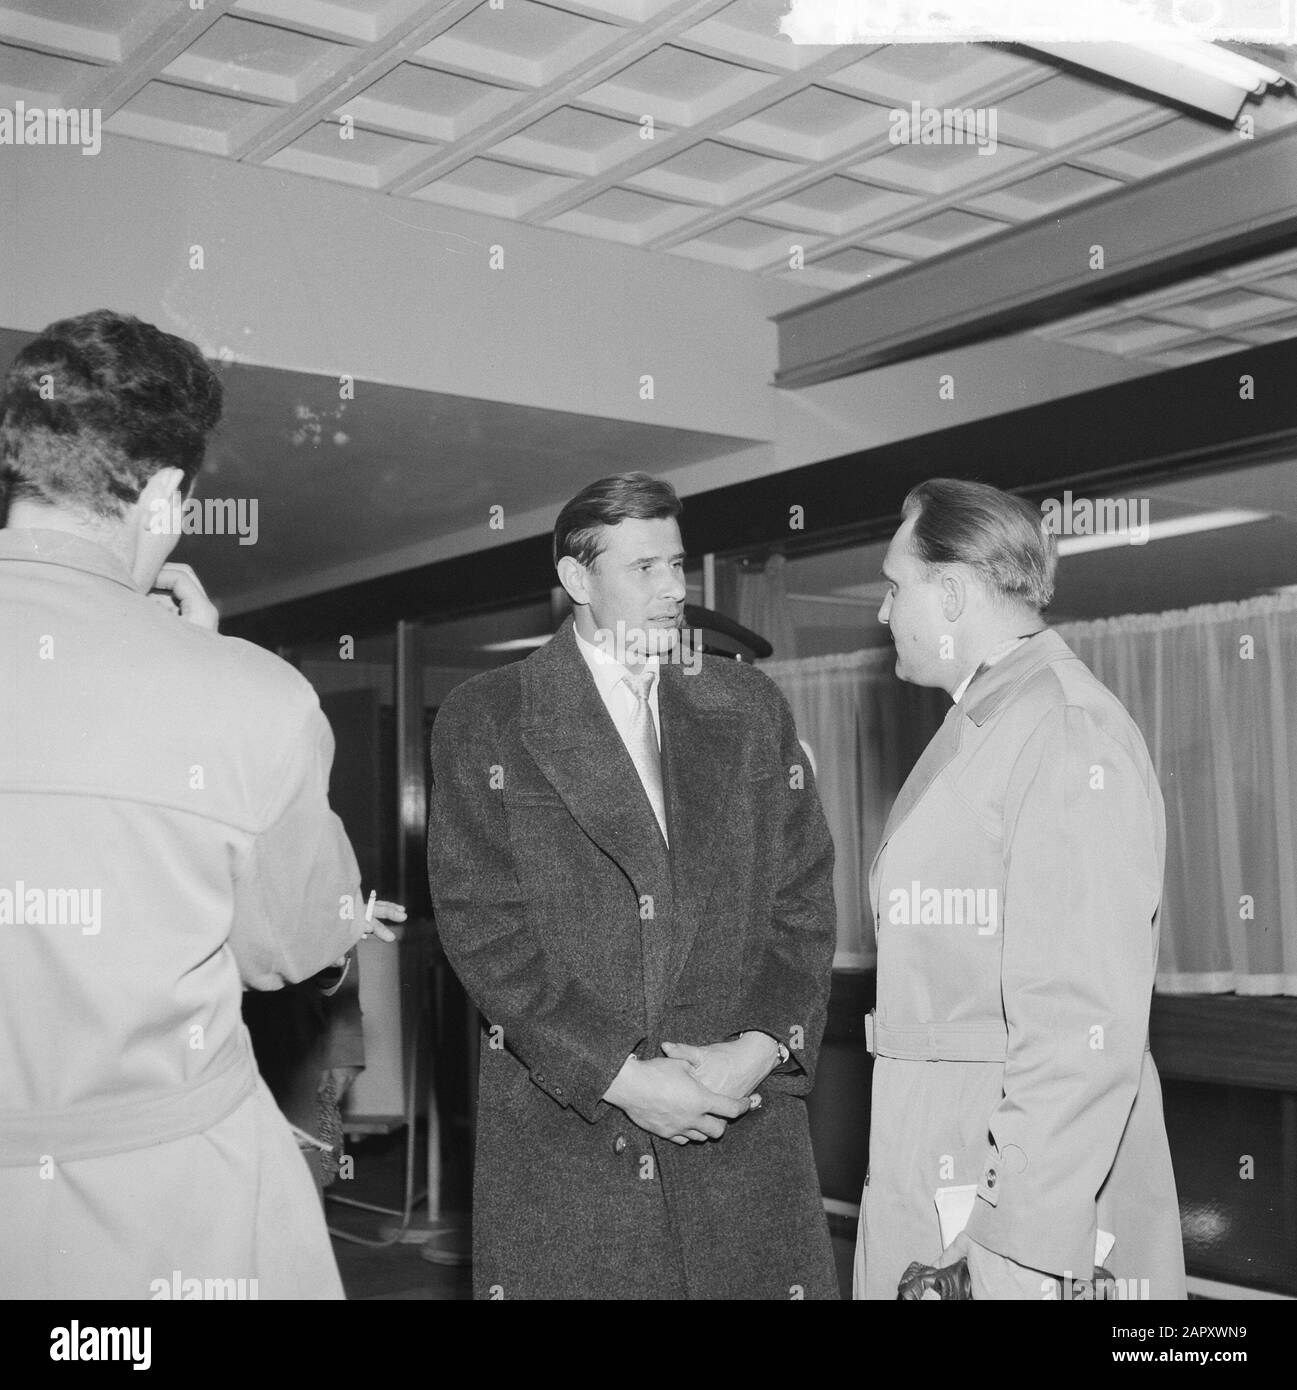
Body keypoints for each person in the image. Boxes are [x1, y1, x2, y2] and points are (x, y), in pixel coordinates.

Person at [0, 310, 401, 1300]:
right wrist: (213, 659)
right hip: (166, 1197)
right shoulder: (249, 697)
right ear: (168, 494)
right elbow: (295, 945)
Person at [427, 472, 839, 1300]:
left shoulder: (747, 706)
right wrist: (622, 1077)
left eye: (676, 565)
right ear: (578, 581)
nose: (672, 590)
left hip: (737, 1120)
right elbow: (483, 930)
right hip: (575, 1128)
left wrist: (759, 1047)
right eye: (643, 569)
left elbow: (802, 900)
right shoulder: (489, 716)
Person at [854, 477, 1186, 1300]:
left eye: (896, 587)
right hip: (942, 1154)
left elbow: (1079, 1025)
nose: (883, 611)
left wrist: (1010, 1246)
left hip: (997, 1196)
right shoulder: (994, 720)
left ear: (953, 591)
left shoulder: (1064, 727)